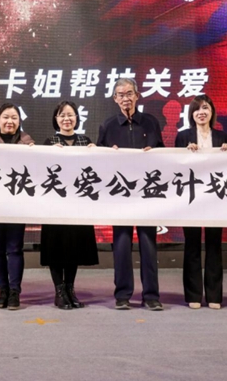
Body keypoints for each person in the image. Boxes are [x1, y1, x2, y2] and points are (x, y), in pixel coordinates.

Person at [97, 78, 164, 311]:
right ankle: (122, 295)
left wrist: (153, 152)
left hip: (146, 194)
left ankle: (151, 295)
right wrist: (110, 154)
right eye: (120, 94)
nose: (125, 98)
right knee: (122, 245)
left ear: (137, 95)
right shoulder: (108, 125)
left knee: (148, 245)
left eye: (129, 93)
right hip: (121, 195)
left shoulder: (150, 122)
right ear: (115, 99)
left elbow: (163, 154)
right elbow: (98, 160)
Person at [175, 95, 227, 310]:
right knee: (191, 245)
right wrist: (185, 152)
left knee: (214, 245)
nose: (201, 112)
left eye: (205, 108)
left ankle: (214, 295)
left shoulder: (222, 136)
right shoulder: (183, 136)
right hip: (191, 198)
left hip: (215, 198)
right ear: (191, 114)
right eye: (197, 109)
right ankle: (193, 295)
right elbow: (175, 165)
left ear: (212, 112)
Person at [41, 101, 99, 310]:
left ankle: (70, 289)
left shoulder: (86, 141)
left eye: (70, 114)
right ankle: (59, 291)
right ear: (56, 119)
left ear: (77, 117)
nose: (66, 119)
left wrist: (97, 152)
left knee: (73, 248)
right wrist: (48, 153)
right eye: (62, 115)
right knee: (56, 248)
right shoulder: (49, 142)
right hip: (55, 206)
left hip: (78, 205)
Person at [0, 103, 34, 310]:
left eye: (14, 117)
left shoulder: (28, 144)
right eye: (5, 117)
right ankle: (2, 291)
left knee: (14, 249)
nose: (9, 121)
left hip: (16, 205)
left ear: (19, 121)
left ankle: (14, 292)